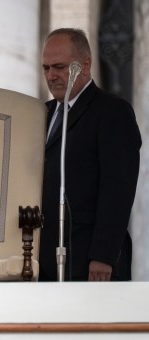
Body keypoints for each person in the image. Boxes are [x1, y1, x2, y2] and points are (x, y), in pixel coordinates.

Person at [39, 28, 142, 281]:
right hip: (44, 258)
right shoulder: (42, 113)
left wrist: (103, 256)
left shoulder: (111, 112)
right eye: (46, 68)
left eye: (59, 67)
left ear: (84, 66)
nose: (51, 76)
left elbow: (117, 189)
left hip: (89, 261)